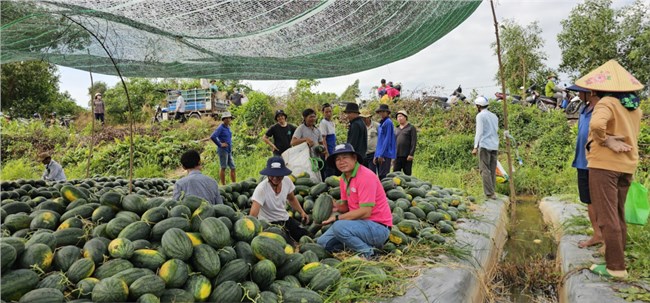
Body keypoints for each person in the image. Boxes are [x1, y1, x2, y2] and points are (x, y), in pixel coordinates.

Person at [576, 60, 643, 279]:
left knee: (606, 216)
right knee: (618, 213)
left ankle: (615, 267)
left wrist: (604, 141)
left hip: (605, 166)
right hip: (626, 165)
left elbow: (596, 126)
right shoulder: (633, 107)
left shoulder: (606, 103)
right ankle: (618, 258)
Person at [317, 143, 393, 259]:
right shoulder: (343, 178)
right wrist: (335, 206)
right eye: (337, 159)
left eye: (345, 157)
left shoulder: (365, 176)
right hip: (358, 224)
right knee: (323, 242)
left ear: (354, 158)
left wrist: (337, 217)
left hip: (378, 227)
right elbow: (347, 207)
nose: (341, 162)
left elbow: (366, 212)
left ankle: (370, 253)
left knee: (339, 226)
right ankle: (358, 246)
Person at [567, 85, 603, 249]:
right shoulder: (584, 108)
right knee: (588, 199)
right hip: (582, 161)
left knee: (597, 200)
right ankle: (598, 233)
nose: (578, 94)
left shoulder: (602, 110)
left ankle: (599, 235)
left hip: (594, 162)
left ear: (591, 92)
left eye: (580, 92)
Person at [250, 157, 310, 244]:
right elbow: (253, 215)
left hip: (284, 218)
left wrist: (302, 212)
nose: (275, 177)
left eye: (278, 175)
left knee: (305, 236)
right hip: (269, 224)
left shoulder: (287, 181)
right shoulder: (261, 189)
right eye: (272, 175)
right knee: (287, 244)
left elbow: (292, 199)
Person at [471, 96, 499, 199]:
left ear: (478, 106)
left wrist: (475, 147)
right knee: (491, 168)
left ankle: (490, 193)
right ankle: (493, 191)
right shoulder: (494, 116)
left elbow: (479, 132)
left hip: (485, 145)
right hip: (494, 145)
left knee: (484, 169)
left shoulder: (480, 116)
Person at [210, 112, 236, 185]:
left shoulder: (228, 127)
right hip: (223, 150)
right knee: (223, 167)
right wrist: (220, 144)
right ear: (223, 119)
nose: (228, 120)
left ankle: (234, 184)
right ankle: (223, 185)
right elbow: (213, 136)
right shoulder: (220, 128)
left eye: (229, 118)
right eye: (226, 118)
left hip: (228, 150)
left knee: (233, 167)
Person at [373, 104, 396, 179]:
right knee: (379, 176)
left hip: (385, 154)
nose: (381, 113)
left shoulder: (388, 122)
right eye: (380, 112)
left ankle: (384, 191)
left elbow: (387, 139)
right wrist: (376, 155)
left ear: (387, 112)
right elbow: (379, 141)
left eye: (383, 112)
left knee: (384, 176)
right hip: (379, 153)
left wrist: (382, 154)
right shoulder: (381, 123)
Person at [393, 110, 417, 176]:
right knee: (395, 174)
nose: (399, 118)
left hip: (407, 156)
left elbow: (414, 141)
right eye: (398, 117)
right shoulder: (396, 129)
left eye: (401, 116)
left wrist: (411, 154)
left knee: (407, 174)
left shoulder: (411, 128)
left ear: (405, 117)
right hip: (397, 156)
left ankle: (408, 186)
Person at [319, 103, 337, 177]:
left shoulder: (331, 122)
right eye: (326, 112)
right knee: (329, 171)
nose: (328, 113)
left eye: (330, 111)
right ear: (323, 113)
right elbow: (323, 139)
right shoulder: (323, 123)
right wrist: (326, 153)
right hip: (328, 150)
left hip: (332, 149)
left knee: (333, 169)